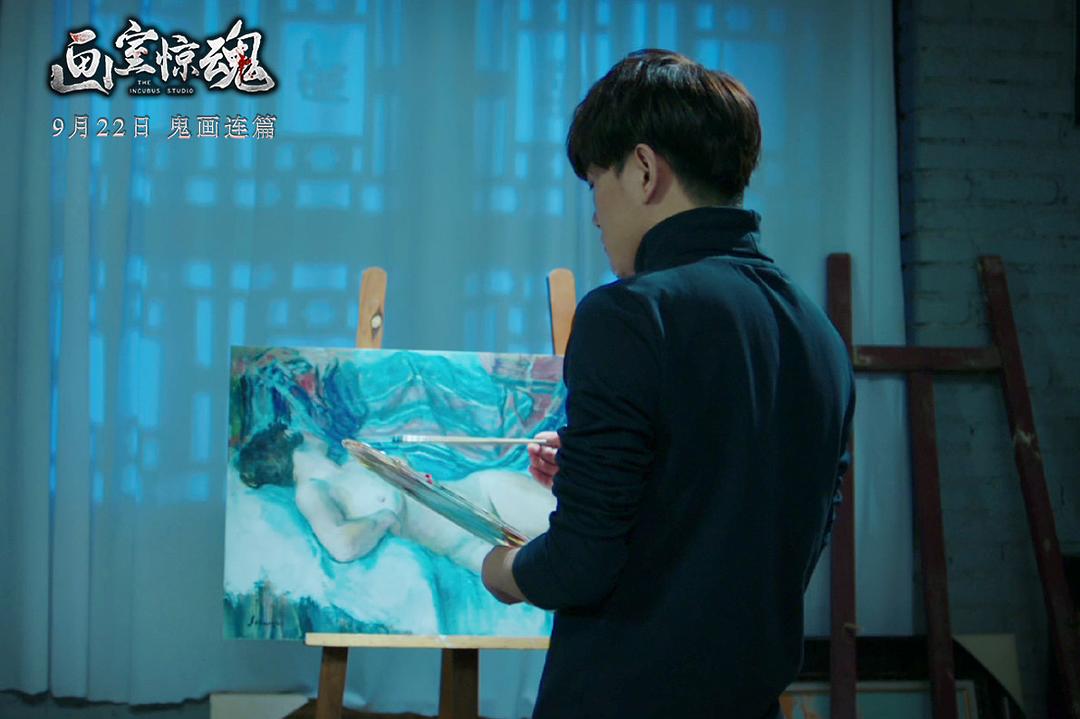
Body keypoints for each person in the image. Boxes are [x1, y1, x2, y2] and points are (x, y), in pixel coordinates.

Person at [480, 49, 855, 719]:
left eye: (596, 184)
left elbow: (579, 565)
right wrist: (599, 474)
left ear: (645, 170)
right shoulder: (819, 333)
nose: (596, 217)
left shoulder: (628, 314)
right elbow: (755, 527)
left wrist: (499, 569)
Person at [236, 422, 556, 574]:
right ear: (288, 439)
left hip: (489, 496)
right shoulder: (313, 491)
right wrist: (382, 519)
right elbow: (342, 546)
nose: (311, 430)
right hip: (472, 547)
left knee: (579, 536)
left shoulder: (352, 461)